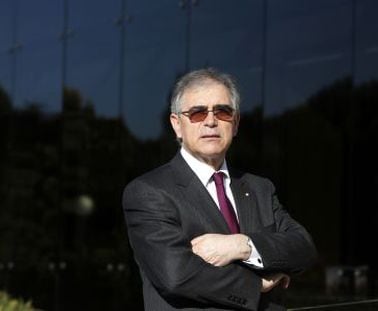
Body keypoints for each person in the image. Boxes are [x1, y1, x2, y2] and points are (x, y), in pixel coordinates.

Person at [122, 68, 317, 310]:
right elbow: (177, 276)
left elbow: (303, 248)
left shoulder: (259, 188)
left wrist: (242, 246)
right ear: (177, 125)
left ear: (235, 124)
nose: (211, 121)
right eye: (197, 113)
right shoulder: (148, 192)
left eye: (223, 111)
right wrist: (257, 284)